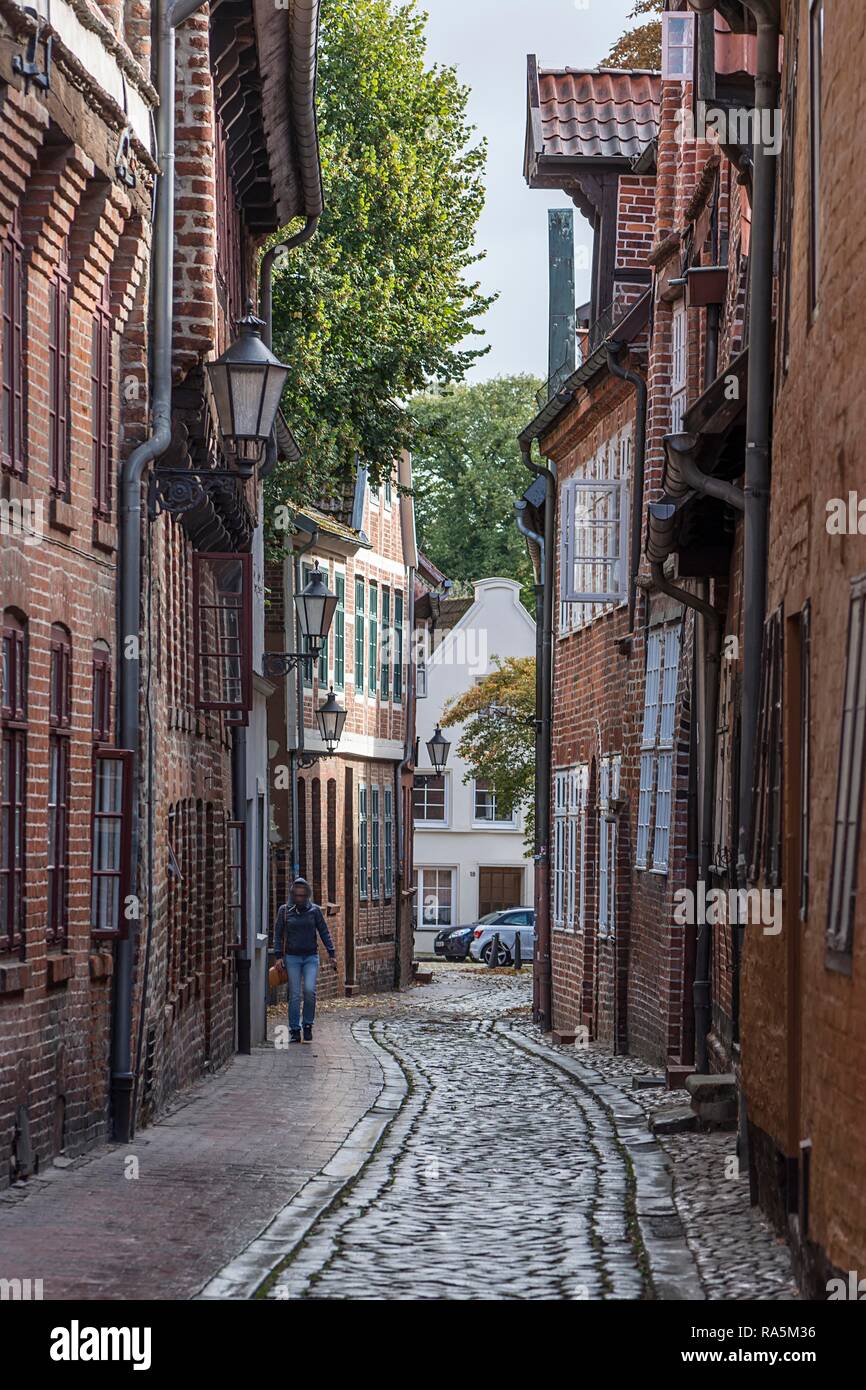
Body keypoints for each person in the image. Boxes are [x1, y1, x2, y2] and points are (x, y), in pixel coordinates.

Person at [273, 877, 337, 1043]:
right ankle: (294, 1029)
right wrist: (278, 956)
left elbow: (323, 931)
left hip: (310, 956)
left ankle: (307, 1024)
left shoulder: (314, 911)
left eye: (303, 895)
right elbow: (278, 934)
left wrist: (331, 953)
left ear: (307, 895)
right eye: (297, 895)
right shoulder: (284, 911)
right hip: (292, 957)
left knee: (309, 991)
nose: (300, 898)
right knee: (294, 995)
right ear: (292, 895)